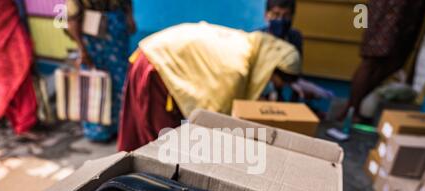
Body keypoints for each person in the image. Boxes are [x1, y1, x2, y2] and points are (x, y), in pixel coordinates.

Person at [118, 22, 301, 152]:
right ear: (269, 68)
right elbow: (214, 119)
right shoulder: (237, 67)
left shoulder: (252, 47)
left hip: (162, 61)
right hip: (156, 65)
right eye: (277, 81)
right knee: (159, 143)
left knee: (165, 139)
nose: (271, 87)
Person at [341, 0, 425, 122]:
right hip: (390, 8)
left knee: (394, 60)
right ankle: (351, 110)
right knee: (372, 59)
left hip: (403, 9)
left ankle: (351, 107)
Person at [66, 0, 137, 142]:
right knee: (95, 82)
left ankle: (121, 127)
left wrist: (129, 17)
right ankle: (98, 131)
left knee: (120, 80)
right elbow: (71, 19)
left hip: (116, 31)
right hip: (92, 37)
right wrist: (82, 50)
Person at [261, 0, 333, 102]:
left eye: (286, 15)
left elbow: (296, 74)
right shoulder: (258, 39)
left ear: (292, 16)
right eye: (276, 14)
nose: (280, 19)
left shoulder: (295, 37)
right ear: (266, 15)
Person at [0, 0, 38, 137]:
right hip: (3, 30)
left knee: (3, 78)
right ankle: (24, 123)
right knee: (19, 72)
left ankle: (11, 117)